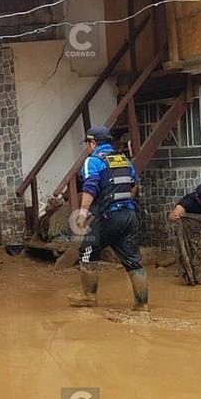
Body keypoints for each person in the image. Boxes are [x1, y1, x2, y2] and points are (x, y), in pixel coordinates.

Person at [67, 125, 148, 311]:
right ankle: (142, 304)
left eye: (87, 144)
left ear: (93, 143)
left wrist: (82, 213)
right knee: (133, 261)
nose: (87, 147)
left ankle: (89, 297)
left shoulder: (93, 161)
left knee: (86, 250)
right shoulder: (125, 160)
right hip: (129, 216)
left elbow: (90, 187)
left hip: (106, 216)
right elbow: (134, 185)